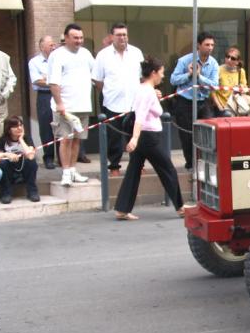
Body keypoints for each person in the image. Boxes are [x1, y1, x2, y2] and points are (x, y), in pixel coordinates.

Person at [114, 57, 184, 220]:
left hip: (145, 136)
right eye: (161, 73)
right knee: (168, 169)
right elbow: (140, 116)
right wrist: (135, 138)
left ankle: (122, 209)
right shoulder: (147, 92)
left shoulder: (144, 89)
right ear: (153, 73)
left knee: (133, 171)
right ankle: (180, 207)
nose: (163, 76)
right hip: (149, 137)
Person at [92, 23, 144, 177]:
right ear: (111, 36)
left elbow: (142, 77)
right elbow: (97, 80)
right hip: (112, 103)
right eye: (119, 35)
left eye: (124, 34)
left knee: (134, 136)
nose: (122, 38)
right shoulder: (103, 55)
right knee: (113, 138)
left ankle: (137, 165)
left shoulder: (136, 53)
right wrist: (109, 91)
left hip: (134, 103)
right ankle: (114, 166)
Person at [48, 23, 94, 187]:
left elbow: (94, 74)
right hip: (65, 107)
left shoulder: (86, 54)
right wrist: (60, 103)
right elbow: (53, 83)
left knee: (77, 140)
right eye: (75, 38)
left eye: (81, 38)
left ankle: (73, 170)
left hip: (83, 105)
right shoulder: (57, 55)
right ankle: (66, 172)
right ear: (66, 38)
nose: (79, 41)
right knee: (65, 139)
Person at [170, 32, 219, 169]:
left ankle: (208, 164)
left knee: (210, 132)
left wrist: (199, 77)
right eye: (207, 44)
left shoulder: (213, 63)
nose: (210, 48)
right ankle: (191, 164)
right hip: (185, 101)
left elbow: (214, 85)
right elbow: (173, 79)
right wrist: (189, 74)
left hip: (203, 101)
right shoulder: (185, 60)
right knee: (186, 135)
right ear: (198, 45)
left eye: (212, 45)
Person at [0, 116, 40, 203]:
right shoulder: (3, 140)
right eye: (15, 126)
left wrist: (21, 139)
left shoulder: (27, 138)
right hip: (10, 169)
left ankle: (32, 192)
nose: (19, 128)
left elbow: (31, 156)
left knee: (32, 162)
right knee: (3, 164)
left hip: (24, 168)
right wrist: (6, 154)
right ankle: (6, 193)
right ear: (9, 129)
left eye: (21, 125)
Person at [28, 36, 57, 169]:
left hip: (60, 95)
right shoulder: (34, 62)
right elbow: (37, 81)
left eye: (54, 44)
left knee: (64, 125)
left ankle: (64, 158)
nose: (54, 47)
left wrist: (47, 79)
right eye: (50, 45)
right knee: (46, 127)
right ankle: (49, 157)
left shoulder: (59, 60)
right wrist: (54, 81)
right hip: (44, 96)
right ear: (42, 47)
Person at [211, 46, 248, 117]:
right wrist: (219, 106)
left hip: (236, 105)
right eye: (227, 56)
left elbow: (245, 88)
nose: (229, 59)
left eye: (233, 58)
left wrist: (241, 88)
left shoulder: (241, 71)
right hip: (223, 107)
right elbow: (212, 91)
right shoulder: (218, 70)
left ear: (237, 62)